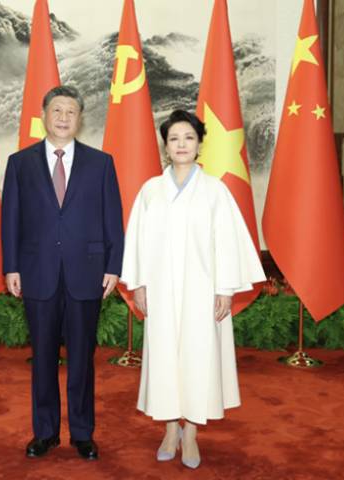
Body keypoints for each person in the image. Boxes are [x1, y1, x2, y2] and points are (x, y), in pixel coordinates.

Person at [121, 110, 265, 469]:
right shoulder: (151, 191)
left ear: (200, 144)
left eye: (188, 137)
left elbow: (228, 243)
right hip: (160, 290)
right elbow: (136, 241)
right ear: (165, 146)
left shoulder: (215, 191)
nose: (181, 144)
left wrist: (225, 289)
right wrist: (139, 284)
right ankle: (171, 429)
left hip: (203, 292)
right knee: (165, 357)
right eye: (174, 138)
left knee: (200, 358)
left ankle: (192, 434)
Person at [1, 85, 124, 460]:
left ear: (80, 118)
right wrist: (11, 266)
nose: (63, 117)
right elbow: (10, 219)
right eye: (57, 110)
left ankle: (83, 434)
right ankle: (45, 432)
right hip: (37, 272)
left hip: (87, 273)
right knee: (42, 358)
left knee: (82, 359)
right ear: (44, 115)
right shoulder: (20, 163)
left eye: (71, 111)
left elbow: (113, 219)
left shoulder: (100, 163)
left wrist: (113, 266)